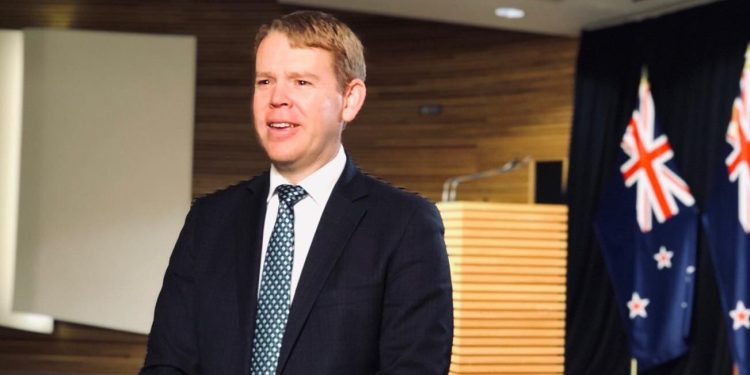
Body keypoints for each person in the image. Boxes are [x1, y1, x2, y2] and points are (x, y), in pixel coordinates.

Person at [141, 10, 453, 375]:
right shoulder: (209, 220)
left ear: (349, 100)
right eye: (264, 81)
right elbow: (168, 364)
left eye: (300, 82)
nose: (277, 99)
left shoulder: (405, 225)